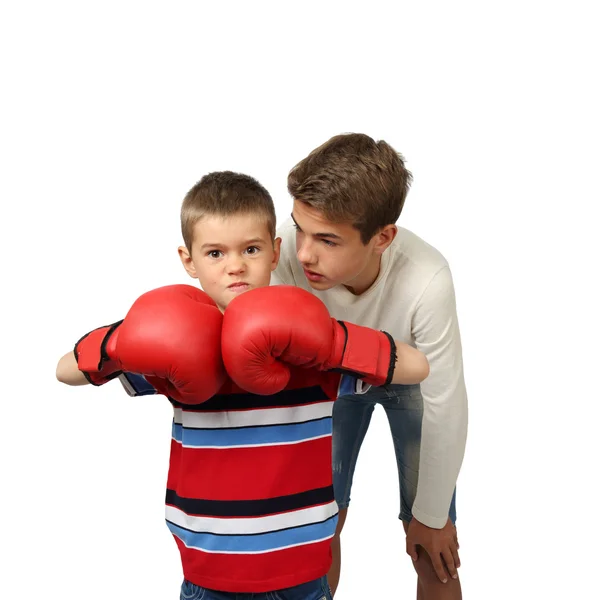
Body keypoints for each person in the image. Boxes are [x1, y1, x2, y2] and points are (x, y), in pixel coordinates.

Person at [56, 171, 430, 600]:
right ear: (188, 260)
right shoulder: (173, 343)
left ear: (274, 253)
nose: (235, 265)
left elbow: (417, 367)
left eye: (250, 249)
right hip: (208, 576)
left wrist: (331, 340)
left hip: (304, 576)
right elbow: (64, 371)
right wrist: (126, 338)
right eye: (215, 253)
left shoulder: (310, 345)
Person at [272, 133, 468, 599]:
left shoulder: (427, 276)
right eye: (301, 228)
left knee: (432, 547)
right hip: (328, 372)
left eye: (327, 240)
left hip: (410, 378)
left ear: (382, 238)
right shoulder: (286, 252)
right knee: (319, 525)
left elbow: (447, 403)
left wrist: (433, 514)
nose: (304, 253)